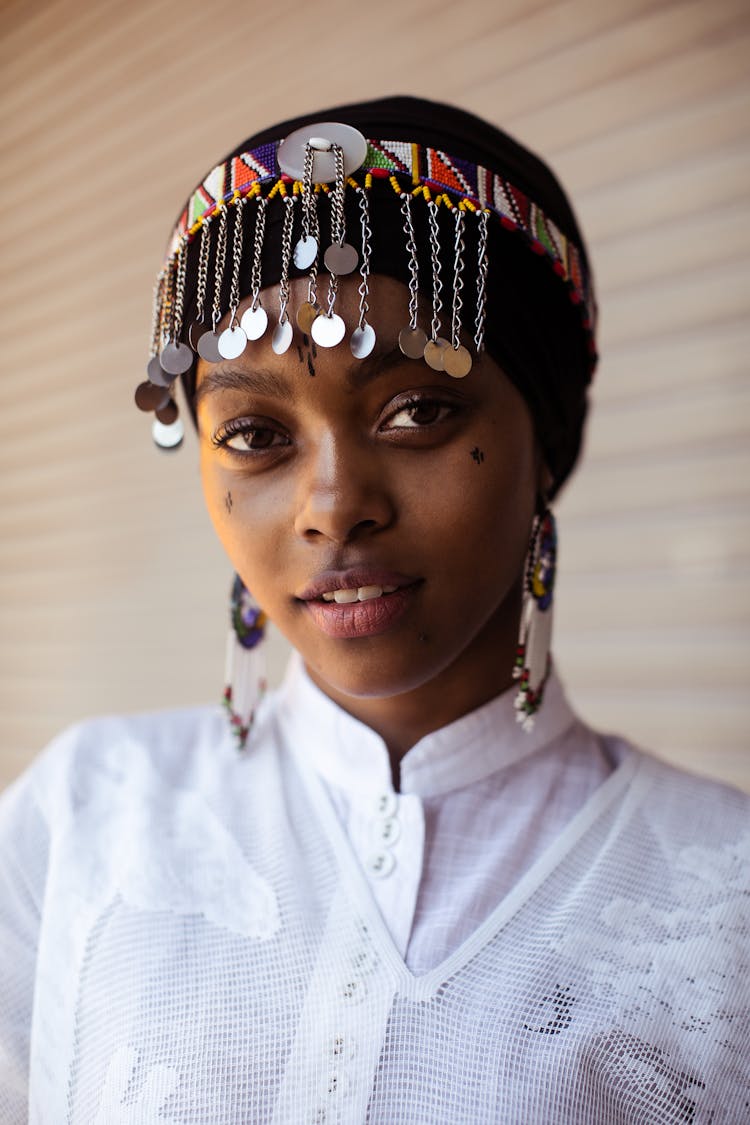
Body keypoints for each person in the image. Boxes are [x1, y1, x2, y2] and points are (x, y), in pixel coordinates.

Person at [0, 97, 747, 1124]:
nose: (334, 505)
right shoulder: (84, 819)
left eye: (419, 410)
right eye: (258, 433)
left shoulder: (723, 899)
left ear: (544, 444)